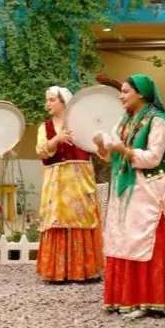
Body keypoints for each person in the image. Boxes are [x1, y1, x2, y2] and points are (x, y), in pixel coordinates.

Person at [94, 74, 165, 319]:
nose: (120, 96)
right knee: (123, 238)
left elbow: (153, 158)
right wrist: (101, 146)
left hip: (148, 187)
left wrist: (123, 149)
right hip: (124, 187)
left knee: (144, 236)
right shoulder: (125, 121)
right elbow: (111, 155)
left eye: (125, 91)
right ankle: (126, 298)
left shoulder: (158, 121)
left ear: (141, 93)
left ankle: (152, 299)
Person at [35, 86, 104, 282]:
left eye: (52, 100)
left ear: (64, 102)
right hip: (56, 180)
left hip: (79, 178)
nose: (47, 103)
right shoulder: (45, 127)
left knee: (82, 216)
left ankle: (83, 270)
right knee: (56, 218)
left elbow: (96, 147)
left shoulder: (81, 124)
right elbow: (40, 151)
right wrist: (56, 139)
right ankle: (57, 272)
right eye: (47, 100)